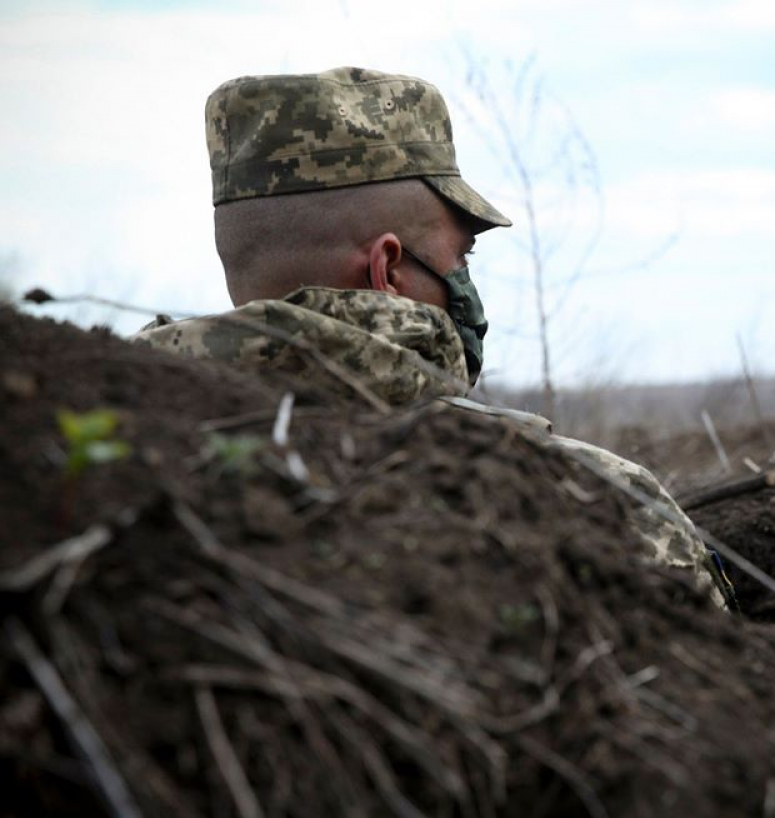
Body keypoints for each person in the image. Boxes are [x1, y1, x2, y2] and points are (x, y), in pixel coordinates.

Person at [133, 67, 730, 609]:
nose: (466, 288)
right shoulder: (590, 500)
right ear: (388, 269)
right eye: (461, 257)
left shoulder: (115, 452)